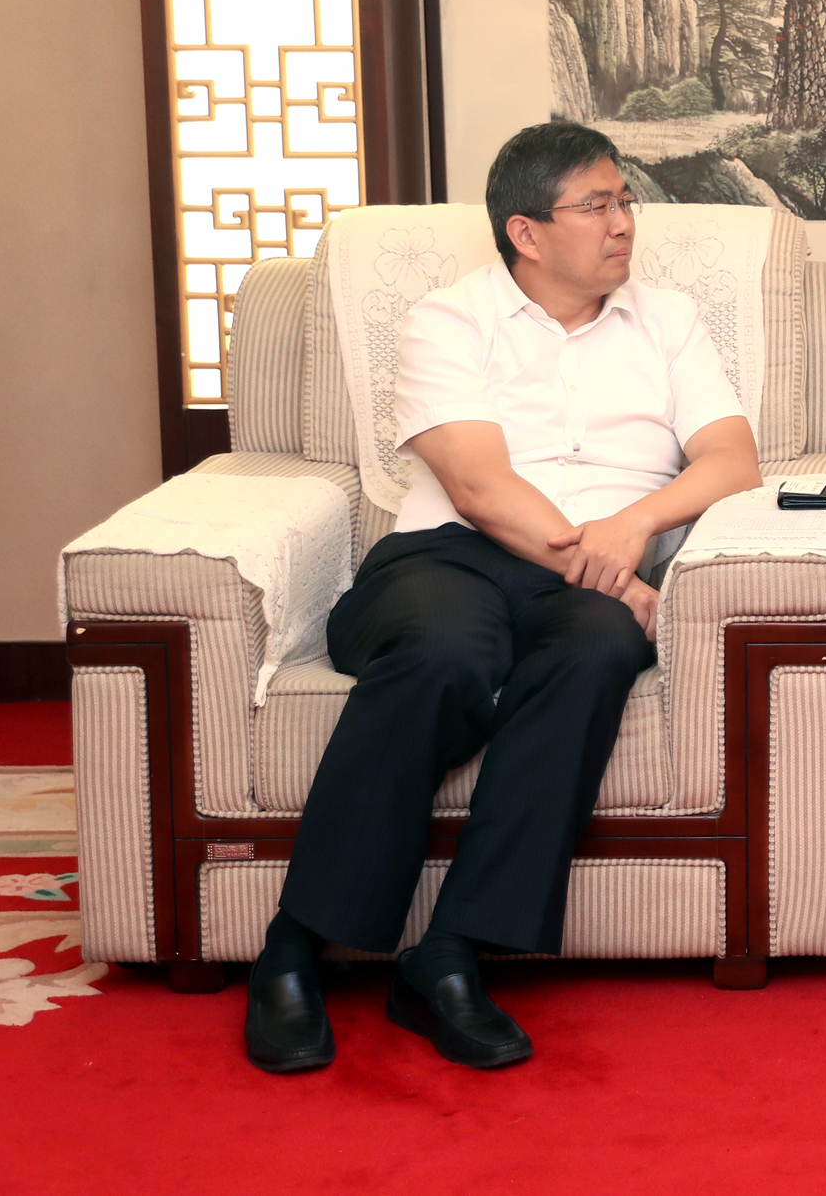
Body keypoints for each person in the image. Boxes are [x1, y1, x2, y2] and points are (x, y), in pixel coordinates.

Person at [243, 123, 761, 1072]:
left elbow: (733, 459)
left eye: (624, 200)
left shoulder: (669, 320)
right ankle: (296, 942)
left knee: (597, 650)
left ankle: (448, 954)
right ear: (526, 231)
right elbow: (479, 487)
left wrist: (635, 525)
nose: (624, 222)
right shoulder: (449, 319)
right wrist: (611, 571)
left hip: (592, 574)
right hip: (450, 557)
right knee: (444, 654)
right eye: (597, 204)